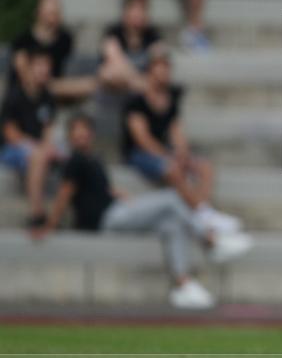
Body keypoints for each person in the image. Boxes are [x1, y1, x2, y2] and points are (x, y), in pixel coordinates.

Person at [32, 114, 251, 309]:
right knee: (172, 198)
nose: (81, 137)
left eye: (84, 132)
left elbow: (96, 190)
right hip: (106, 218)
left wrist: (115, 194)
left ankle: (184, 286)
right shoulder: (75, 161)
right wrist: (50, 225)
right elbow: (64, 195)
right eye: (76, 134)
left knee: (172, 224)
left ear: (91, 134)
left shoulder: (93, 159)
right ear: (70, 137)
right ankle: (210, 239)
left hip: (114, 210)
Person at [122, 46, 240, 235]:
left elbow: (176, 130)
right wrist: (170, 156)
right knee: (172, 168)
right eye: (159, 67)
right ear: (150, 70)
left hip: (164, 150)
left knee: (204, 167)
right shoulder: (136, 102)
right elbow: (142, 139)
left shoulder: (171, 98)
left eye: (166, 67)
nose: (164, 72)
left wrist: (182, 152)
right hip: (139, 154)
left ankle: (202, 214)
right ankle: (205, 214)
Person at [0, 48, 61, 229]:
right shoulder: (15, 95)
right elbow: (11, 134)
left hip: (36, 148)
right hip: (11, 150)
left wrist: (49, 147)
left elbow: (48, 131)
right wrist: (38, 147)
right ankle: (37, 213)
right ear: (30, 68)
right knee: (37, 156)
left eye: (48, 66)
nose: (45, 70)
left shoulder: (48, 98)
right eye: (40, 65)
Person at [8, 0, 95, 101]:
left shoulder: (65, 40)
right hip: (24, 101)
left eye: (56, 8)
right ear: (38, 11)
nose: (54, 12)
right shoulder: (22, 41)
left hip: (54, 97)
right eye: (49, 9)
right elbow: (28, 79)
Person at [99, 0, 164, 93]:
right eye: (134, 11)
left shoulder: (153, 35)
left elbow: (159, 60)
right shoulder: (113, 33)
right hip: (130, 81)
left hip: (135, 81)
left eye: (142, 10)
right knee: (107, 73)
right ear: (125, 13)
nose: (138, 15)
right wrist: (139, 81)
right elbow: (115, 60)